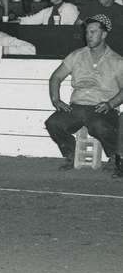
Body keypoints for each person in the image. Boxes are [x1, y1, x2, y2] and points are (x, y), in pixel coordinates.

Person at [47, 14, 123, 175]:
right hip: (76, 107)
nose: (88, 36)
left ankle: (115, 158)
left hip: (102, 109)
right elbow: (56, 77)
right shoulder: (77, 55)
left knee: (98, 125)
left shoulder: (117, 61)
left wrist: (110, 104)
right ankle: (70, 154)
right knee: (53, 123)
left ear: (104, 34)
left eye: (93, 32)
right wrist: (56, 100)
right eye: (87, 32)